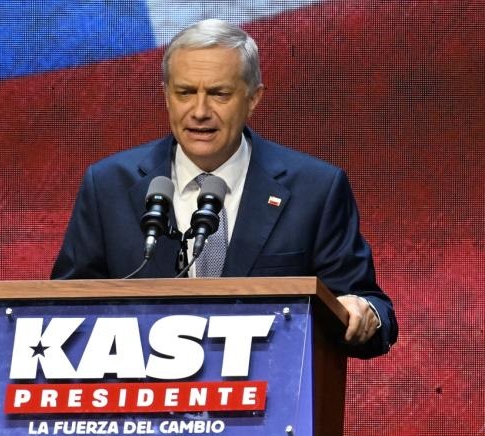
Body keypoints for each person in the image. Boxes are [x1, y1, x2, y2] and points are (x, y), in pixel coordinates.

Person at [52, 19, 397, 358]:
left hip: (267, 391)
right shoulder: (108, 185)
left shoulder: (315, 189)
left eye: (219, 94)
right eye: (185, 93)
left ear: (253, 98)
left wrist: (361, 310)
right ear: (166, 96)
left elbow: (371, 308)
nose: (200, 111)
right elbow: (59, 314)